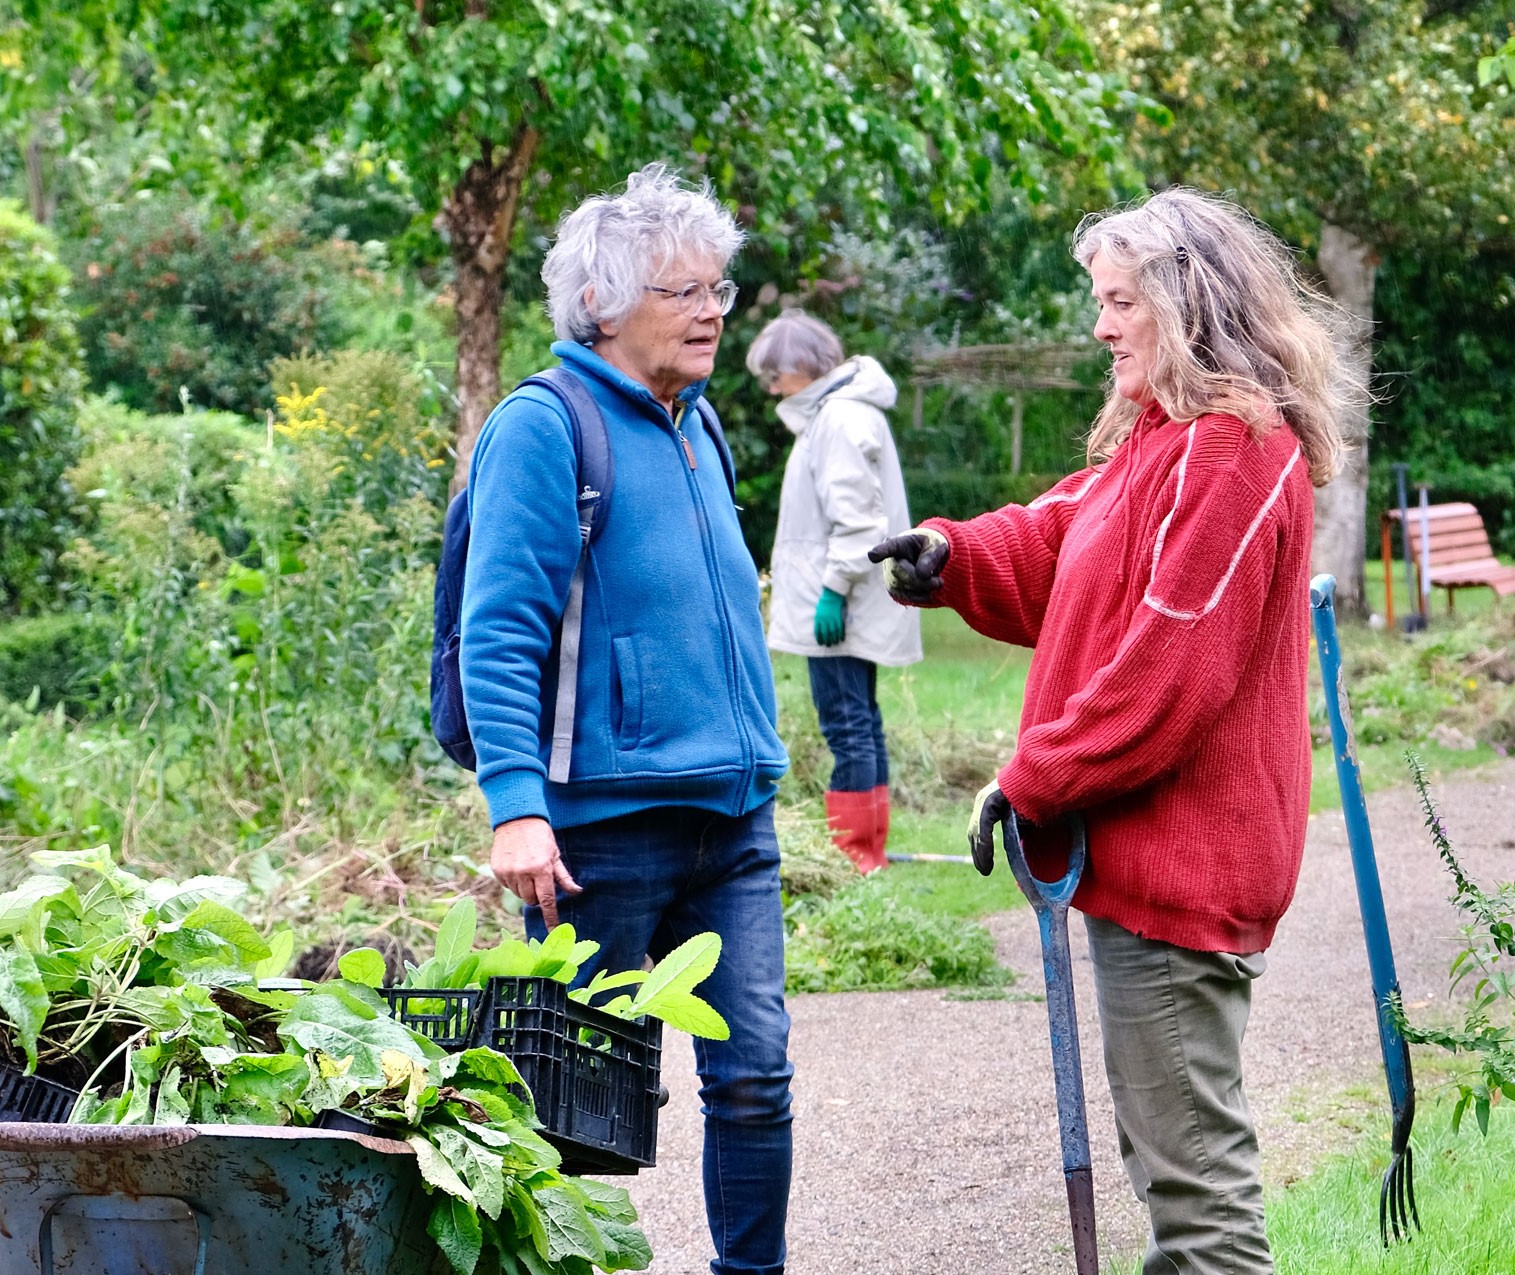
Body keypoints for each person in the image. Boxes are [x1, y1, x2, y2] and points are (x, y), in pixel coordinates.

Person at [870, 187, 1348, 1274]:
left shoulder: (1232, 454)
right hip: (1146, 871)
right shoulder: (1165, 445)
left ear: (1187, 304)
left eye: (1120, 301)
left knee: (1199, 1203)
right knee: (1170, 1166)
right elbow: (1064, 535)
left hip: (1184, 877)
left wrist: (1036, 776)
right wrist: (958, 555)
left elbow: (1167, 676)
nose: (1102, 325)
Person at [459, 164, 793, 1275]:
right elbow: (501, 631)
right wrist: (517, 808)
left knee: (755, 1079)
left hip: (732, 819)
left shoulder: (701, 430)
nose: (710, 312)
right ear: (600, 307)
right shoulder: (544, 429)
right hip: (597, 838)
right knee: (578, 1103)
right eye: (683, 292)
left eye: (718, 291)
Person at [748, 311, 921, 874]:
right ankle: (868, 851)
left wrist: (832, 591)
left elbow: (858, 524)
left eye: (775, 375)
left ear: (801, 367)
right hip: (848, 603)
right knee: (859, 722)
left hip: (841, 608)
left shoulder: (840, 419)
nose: (771, 388)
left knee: (846, 727)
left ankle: (854, 858)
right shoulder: (837, 412)